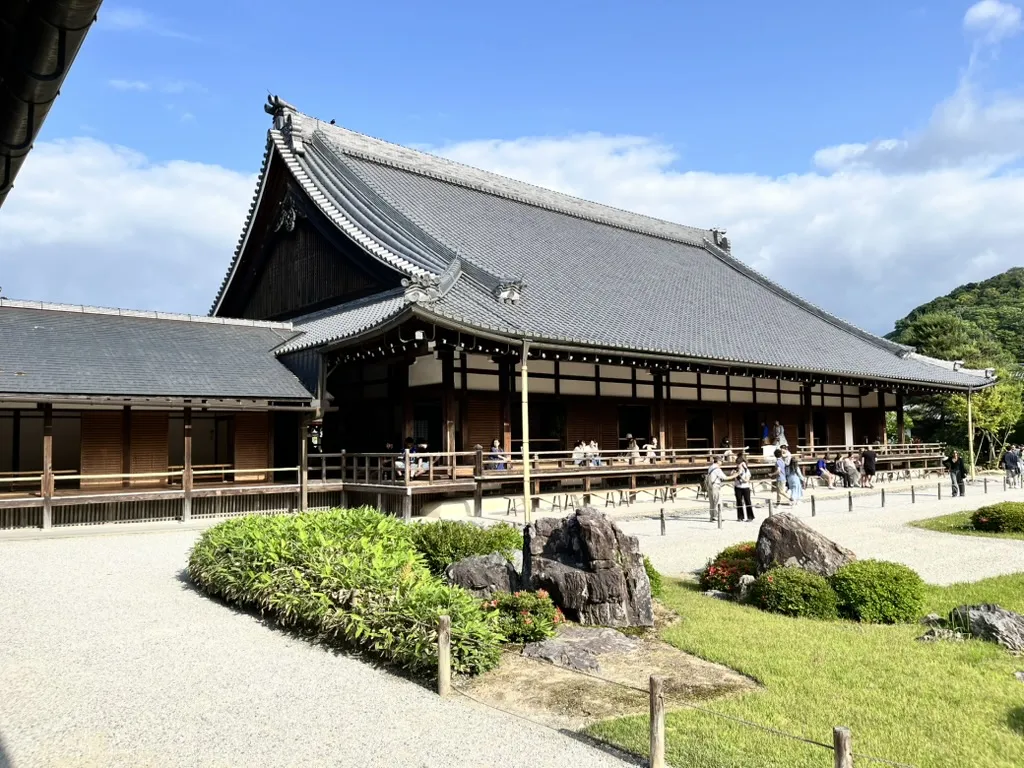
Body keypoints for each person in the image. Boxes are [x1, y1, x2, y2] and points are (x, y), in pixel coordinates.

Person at [706, 455, 733, 522]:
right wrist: (735, 475)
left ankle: (712, 516)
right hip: (715, 486)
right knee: (717, 501)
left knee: (712, 502)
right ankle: (716, 516)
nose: (722, 462)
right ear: (718, 461)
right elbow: (725, 477)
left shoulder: (710, 467)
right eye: (721, 461)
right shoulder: (717, 469)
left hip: (710, 485)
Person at [733, 451, 754, 521]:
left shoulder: (747, 471)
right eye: (737, 464)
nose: (738, 465)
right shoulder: (735, 470)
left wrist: (740, 476)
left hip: (745, 487)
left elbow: (746, 480)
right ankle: (740, 517)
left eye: (739, 464)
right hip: (737, 487)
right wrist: (735, 473)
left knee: (747, 501)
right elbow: (732, 476)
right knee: (739, 501)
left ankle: (750, 517)